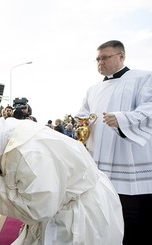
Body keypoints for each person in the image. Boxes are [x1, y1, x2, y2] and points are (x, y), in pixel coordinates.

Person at [0, 118, 124, 244]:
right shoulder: (9, 132)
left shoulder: (28, 154)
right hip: (67, 197)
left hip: (81, 212)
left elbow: (39, 209)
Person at [77, 40, 152, 245]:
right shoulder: (93, 89)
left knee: (132, 212)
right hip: (101, 158)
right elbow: (84, 114)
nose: (100, 63)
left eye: (105, 58)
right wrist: (80, 123)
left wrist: (122, 119)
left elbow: (149, 108)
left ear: (121, 56)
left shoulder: (144, 77)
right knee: (106, 207)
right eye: (98, 59)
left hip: (130, 158)